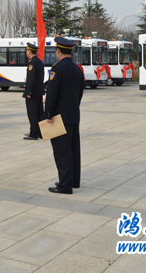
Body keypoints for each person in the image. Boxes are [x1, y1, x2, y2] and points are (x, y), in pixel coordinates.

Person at [45, 37, 85, 194]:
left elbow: (52, 94)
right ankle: (73, 181)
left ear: (58, 51)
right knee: (73, 149)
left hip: (59, 117)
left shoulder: (57, 69)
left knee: (62, 151)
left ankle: (64, 185)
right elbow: (80, 93)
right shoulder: (77, 69)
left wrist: (48, 114)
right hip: (74, 114)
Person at [23, 43, 45, 140]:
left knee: (32, 114)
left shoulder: (32, 63)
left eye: (27, 50)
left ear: (29, 51)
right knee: (39, 113)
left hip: (33, 93)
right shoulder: (39, 62)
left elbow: (31, 79)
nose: (26, 52)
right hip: (39, 92)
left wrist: (29, 92)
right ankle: (40, 132)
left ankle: (34, 134)